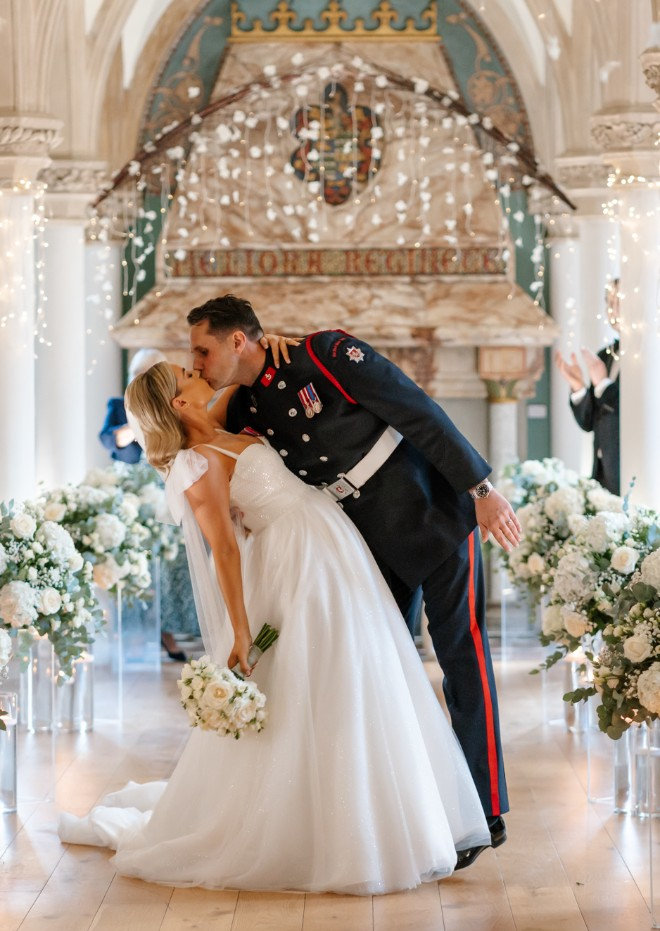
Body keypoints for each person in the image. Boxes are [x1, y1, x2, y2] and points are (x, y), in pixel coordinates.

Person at [58, 361, 491, 894]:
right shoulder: (196, 463)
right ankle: (330, 831)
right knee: (326, 678)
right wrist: (239, 630)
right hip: (296, 565)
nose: (198, 371)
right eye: (187, 373)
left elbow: (250, 358)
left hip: (333, 550)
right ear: (178, 404)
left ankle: (380, 810)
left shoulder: (225, 427)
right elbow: (223, 551)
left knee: (365, 674)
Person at [187, 295, 521, 869]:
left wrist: (481, 490)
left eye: (202, 348)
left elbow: (418, 410)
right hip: (365, 542)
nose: (196, 361)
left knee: (461, 657)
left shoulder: (323, 353)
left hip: (430, 513)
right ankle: (422, 805)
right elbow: (199, 433)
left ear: (238, 340)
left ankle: (483, 810)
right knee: (383, 670)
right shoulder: (244, 407)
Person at [98, 347, 191, 661]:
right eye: (137, 374)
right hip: (132, 496)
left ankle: (169, 631)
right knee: (136, 566)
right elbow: (111, 441)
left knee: (171, 564)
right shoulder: (118, 407)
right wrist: (138, 420)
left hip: (166, 490)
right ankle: (136, 636)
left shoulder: (174, 406)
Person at [554, 280, 621, 495]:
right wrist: (579, 389)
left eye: (620, 302)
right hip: (603, 475)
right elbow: (588, 422)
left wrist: (603, 384)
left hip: (634, 473)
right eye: (610, 302)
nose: (613, 309)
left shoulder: (650, 358)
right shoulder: (605, 355)